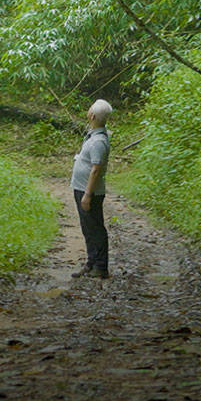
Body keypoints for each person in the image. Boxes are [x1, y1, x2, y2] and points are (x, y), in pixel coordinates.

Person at [70, 99, 113, 278]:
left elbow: (96, 169)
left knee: (95, 228)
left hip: (90, 191)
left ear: (92, 115)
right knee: (87, 228)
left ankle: (101, 266)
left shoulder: (98, 142)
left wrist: (87, 195)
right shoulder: (93, 136)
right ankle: (91, 262)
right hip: (81, 188)